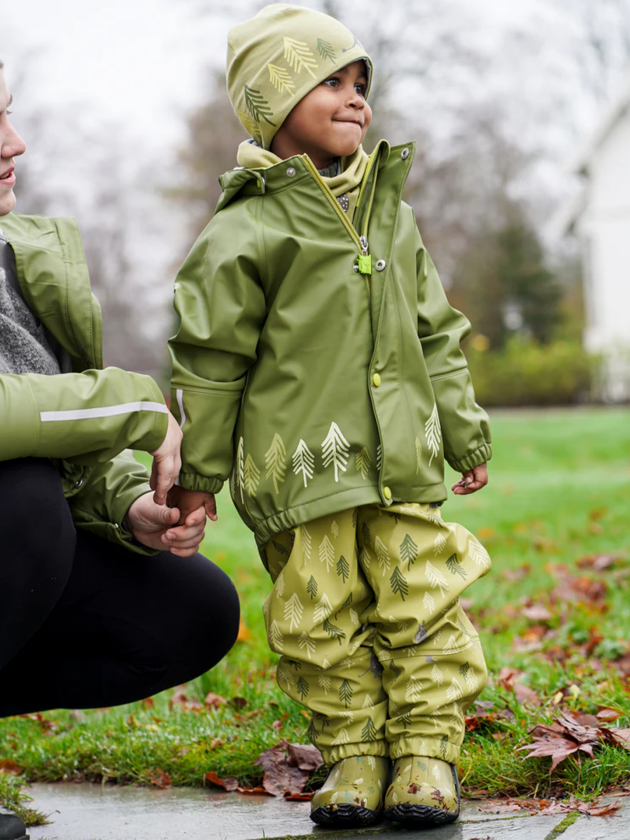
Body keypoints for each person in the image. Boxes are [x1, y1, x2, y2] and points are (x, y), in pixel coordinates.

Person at [168, 4, 491, 829]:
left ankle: (424, 750)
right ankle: (353, 752)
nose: (356, 99)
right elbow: (211, 362)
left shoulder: (394, 213)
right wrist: (199, 477)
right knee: (318, 618)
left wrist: (463, 428)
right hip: (301, 467)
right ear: (273, 104)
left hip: (401, 458)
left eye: (361, 84)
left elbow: (436, 330)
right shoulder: (245, 229)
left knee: (421, 598)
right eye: (331, 81)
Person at [0, 62, 239, 840]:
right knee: (24, 504)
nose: (16, 143)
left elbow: (62, 430)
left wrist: (128, 506)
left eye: (10, 114)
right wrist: (135, 403)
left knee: (192, 609)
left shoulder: (19, 259)